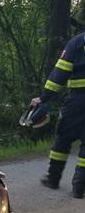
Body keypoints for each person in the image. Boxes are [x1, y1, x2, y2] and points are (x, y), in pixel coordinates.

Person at [31, 33, 85, 198]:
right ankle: (79, 187)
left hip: (77, 101)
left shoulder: (77, 43)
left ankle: (53, 178)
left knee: (63, 138)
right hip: (77, 100)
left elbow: (59, 74)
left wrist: (43, 97)